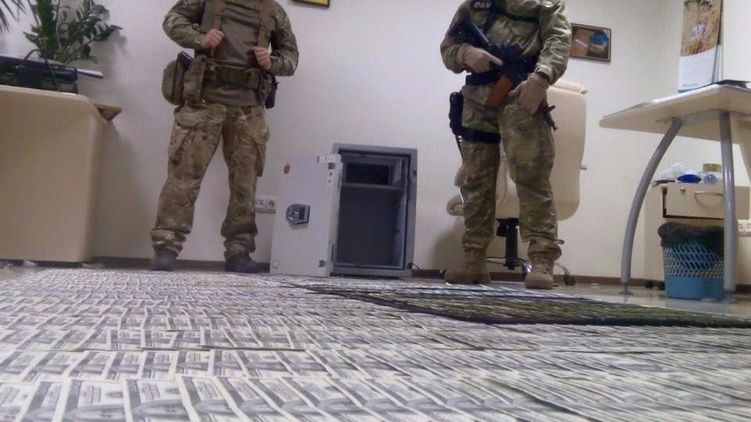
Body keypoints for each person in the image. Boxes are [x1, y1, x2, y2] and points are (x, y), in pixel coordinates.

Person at [150, 0, 299, 273]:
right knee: (183, 177)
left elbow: (291, 57)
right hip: (203, 103)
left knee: (245, 185)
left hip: (248, 110)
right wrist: (200, 39)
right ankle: (166, 247)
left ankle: (239, 251)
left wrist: (272, 62)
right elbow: (173, 20)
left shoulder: (274, 11)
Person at [440, 0, 571, 289]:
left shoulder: (546, 3)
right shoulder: (474, 4)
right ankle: (474, 259)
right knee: (475, 180)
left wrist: (541, 77)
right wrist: (465, 53)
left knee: (531, 176)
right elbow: (448, 47)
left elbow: (558, 41)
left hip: (522, 94)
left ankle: (542, 259)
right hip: (477, 100)